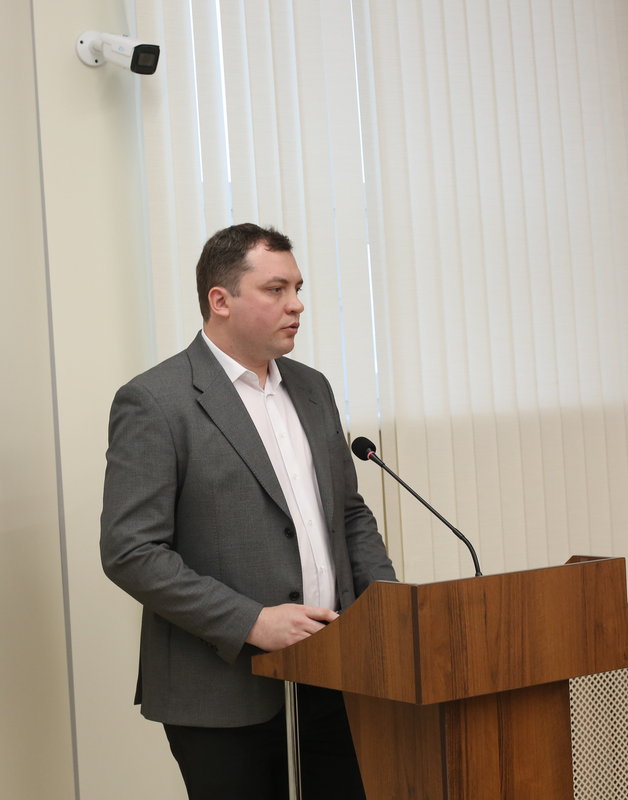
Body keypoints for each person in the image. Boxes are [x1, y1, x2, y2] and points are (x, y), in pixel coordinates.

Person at [100, 223, 397, 799]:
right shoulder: (156, 401)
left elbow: (349, 514)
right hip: (221, 691)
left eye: (298, 288)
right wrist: (252, 622)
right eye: (276, 289)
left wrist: (385, 607)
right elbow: (131, 551)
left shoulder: (312, 389)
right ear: (221, 300)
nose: (297, 304)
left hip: (334, 675)